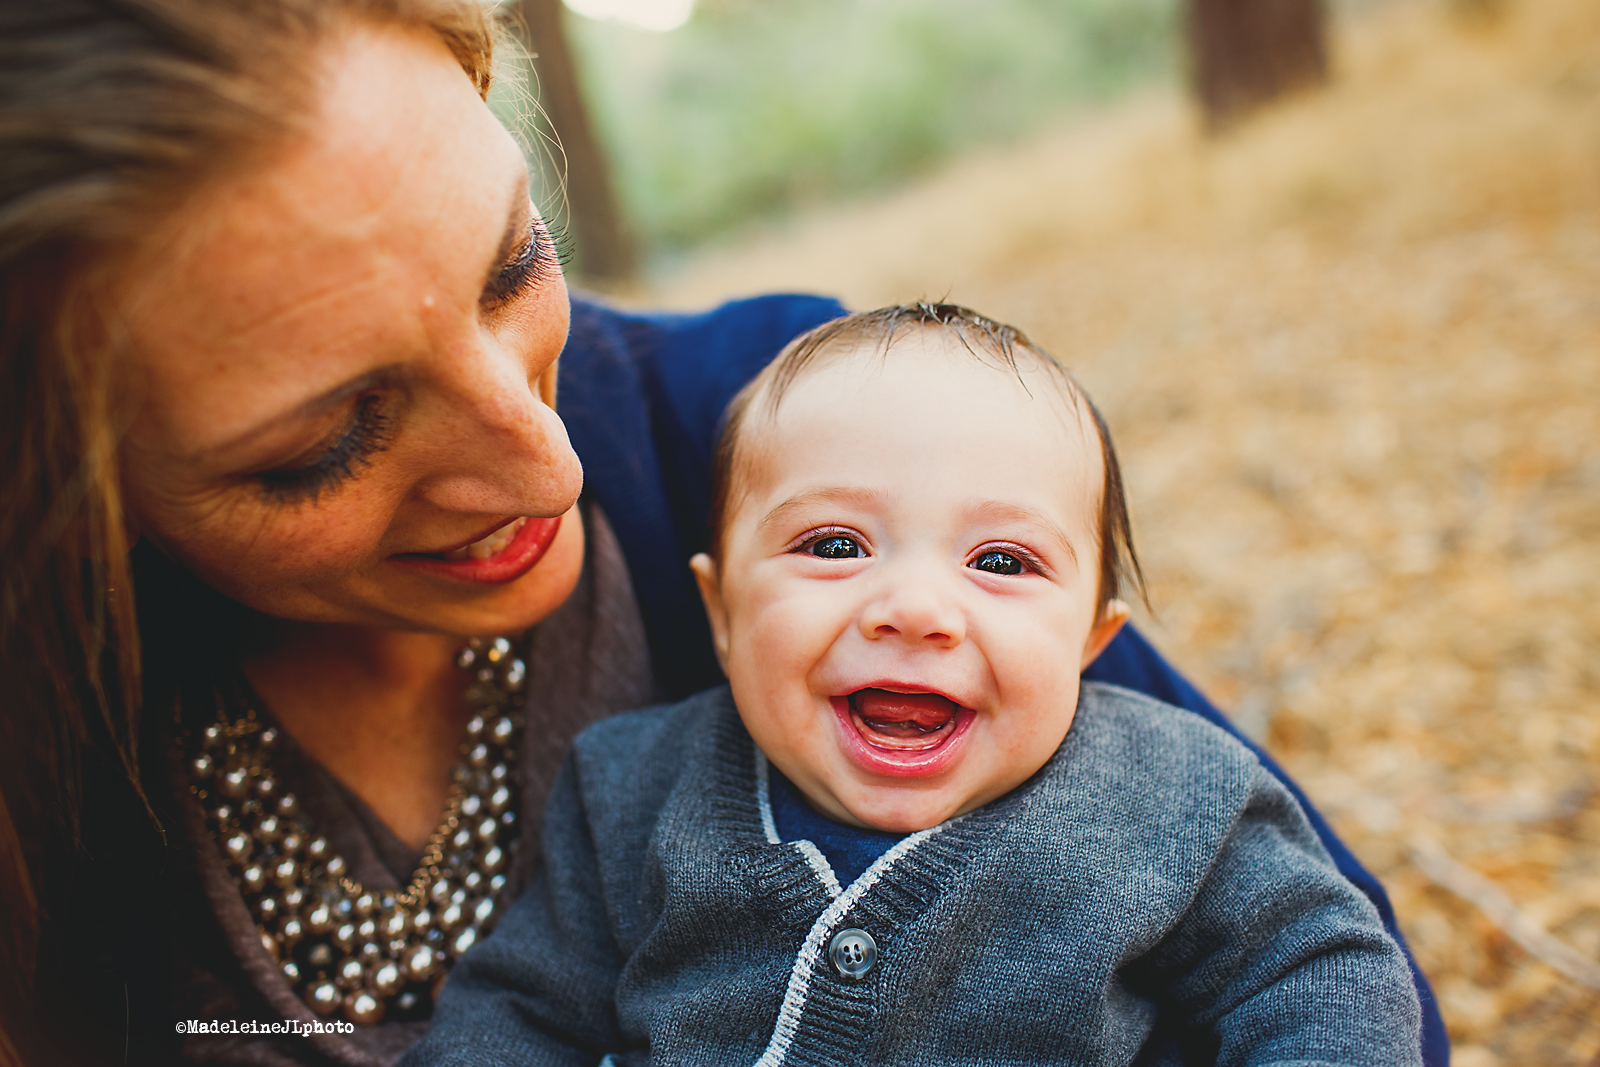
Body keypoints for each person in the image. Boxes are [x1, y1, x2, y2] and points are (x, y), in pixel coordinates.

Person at [0, 2, 1446, 1066]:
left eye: (517, 264)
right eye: (327, 439)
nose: (543, 461)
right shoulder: (633, 801)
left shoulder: (810, 434)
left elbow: (1334, 968)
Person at [400, 305, 1424, 1067]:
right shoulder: (628, 791)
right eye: (836, 542)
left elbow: (1317, 965)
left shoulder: (1171, 794)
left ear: (1091, 639)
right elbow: (518, 1009)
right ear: (719, 612)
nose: (917, 608)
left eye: (1003, 561)